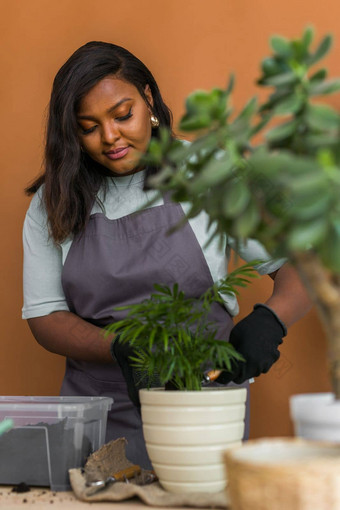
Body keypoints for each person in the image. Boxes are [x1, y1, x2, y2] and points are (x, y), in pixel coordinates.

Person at [22, 41, 311, 468]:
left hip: (201, 404)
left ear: (149, 99)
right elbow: (46, 316)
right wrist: (124, 348)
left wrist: (271, 320)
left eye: (123, 115)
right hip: (99, 414)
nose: (110, 137)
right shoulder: (55, 200)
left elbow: (299, 267)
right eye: (88, 127)